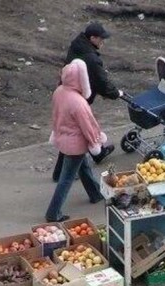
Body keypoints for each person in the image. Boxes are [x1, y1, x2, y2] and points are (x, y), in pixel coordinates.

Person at [52, 21, 122, 182]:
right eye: (100, 38)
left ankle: (93, 156)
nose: (102, 42)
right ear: (92, 38)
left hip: (66, 91)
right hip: (78, 97)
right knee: (80, 129)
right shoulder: (91, 57)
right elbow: (100, 80)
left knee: (72, 129)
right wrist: (114, 93)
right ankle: (94, 154)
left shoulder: (77, 45)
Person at [45, 59, 104, 222]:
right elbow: (89, 127)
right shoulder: (79, 102)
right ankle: (53, 213)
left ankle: (95, 193)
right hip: (76, 144)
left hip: (63, 137)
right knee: (66, 179)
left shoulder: (59, 91)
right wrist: (96, 142)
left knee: (83, 167)